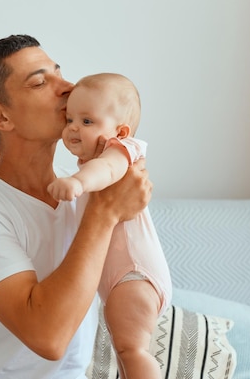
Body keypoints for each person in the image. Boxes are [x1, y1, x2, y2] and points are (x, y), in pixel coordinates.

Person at [0, 35, 153, 379]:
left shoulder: (84, 184)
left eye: (59, 73)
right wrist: (105, 211)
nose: (67, 87)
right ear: (0, 116)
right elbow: (48, 338)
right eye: (41, 82)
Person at [47, 73, 172, 379]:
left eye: (87, 121)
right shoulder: (91, 162)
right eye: (70, 119)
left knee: (133, 349)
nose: (74, 128)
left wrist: (77, 182)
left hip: (134, 271)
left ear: (121, 130)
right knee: (125, 352)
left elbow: (106, 169)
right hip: (121, 278)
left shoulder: (122, 150)